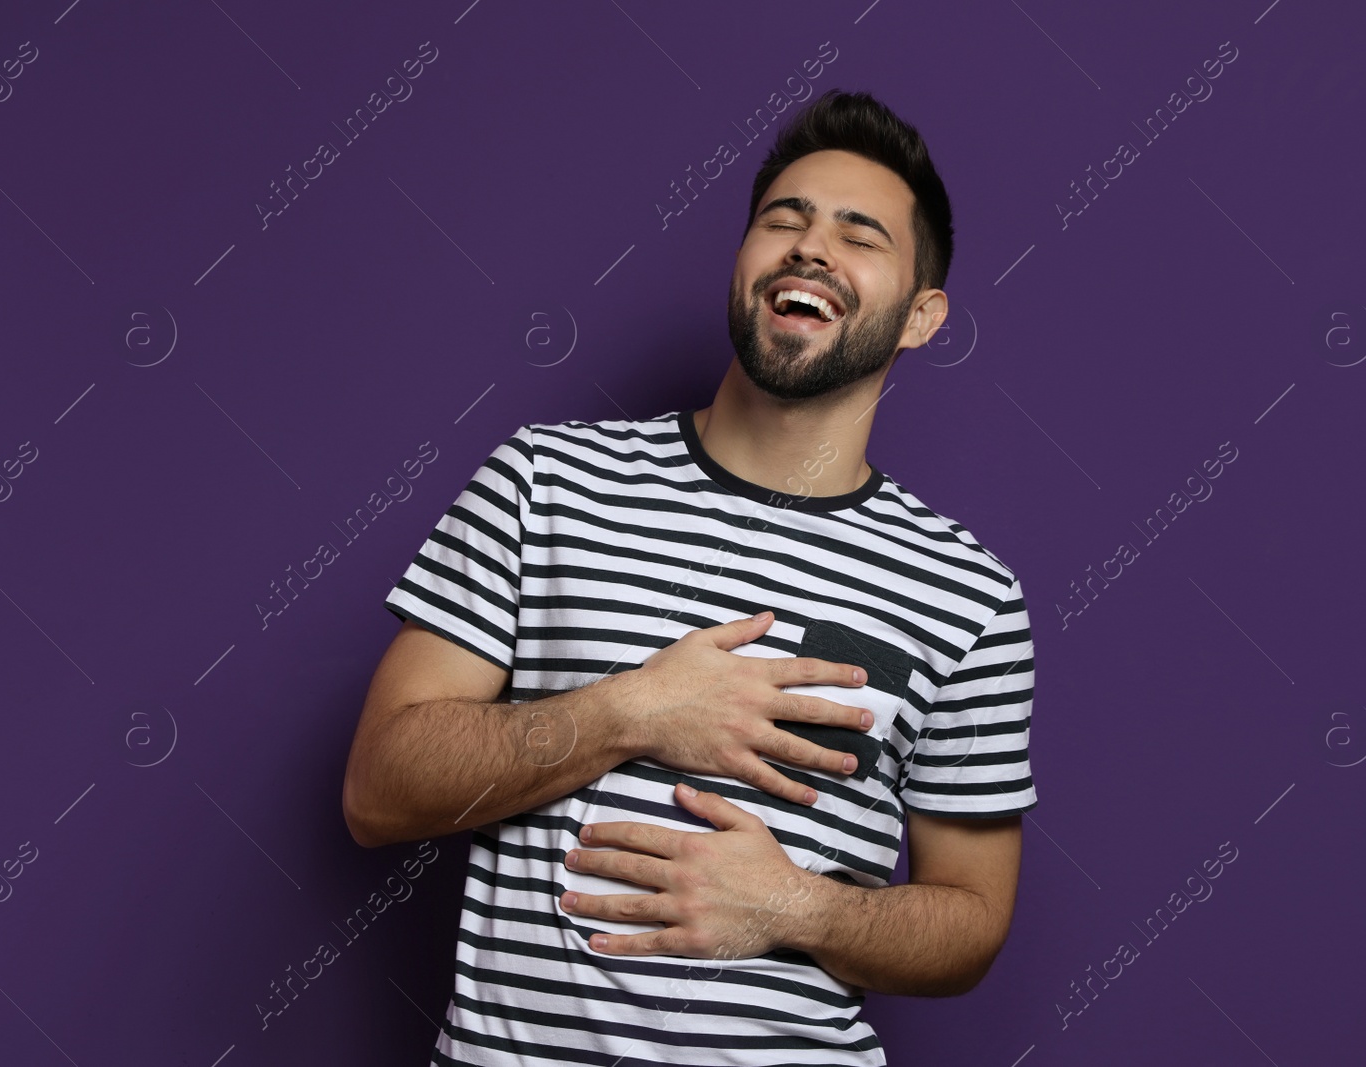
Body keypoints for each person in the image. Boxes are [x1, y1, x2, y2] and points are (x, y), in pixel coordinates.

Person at [342, 88, 1037, 1066]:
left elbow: (970, 923)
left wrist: (796, 904)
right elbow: (380, 787)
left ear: (922, 315)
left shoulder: (969, 593)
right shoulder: (544, 482)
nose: (807, 246)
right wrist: (632, 711)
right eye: (781, 219)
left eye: (859, 233)